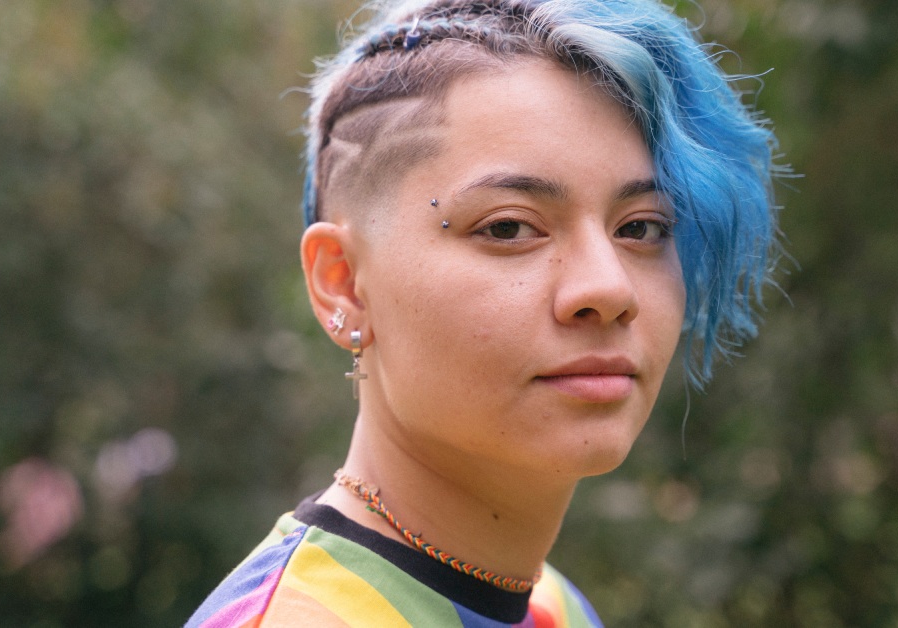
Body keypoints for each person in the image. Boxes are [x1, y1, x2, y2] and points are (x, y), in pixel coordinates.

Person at [186, 0, 778, 625]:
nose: (608, 288)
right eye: (508, 227)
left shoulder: (555, 607)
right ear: (345, 285)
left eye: (641, 227)